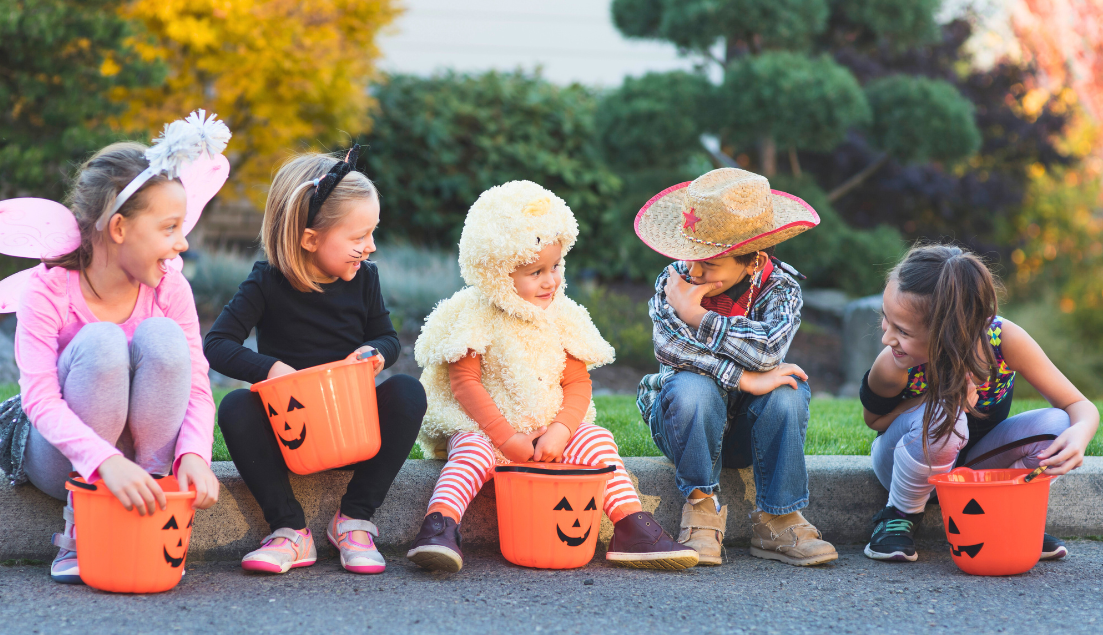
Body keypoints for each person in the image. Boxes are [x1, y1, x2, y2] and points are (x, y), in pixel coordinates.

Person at [406, 181, 697, 573]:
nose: (551, 280)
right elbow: (465, 382)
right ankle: (440, 526)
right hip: (489, 432)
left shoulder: (561, 315)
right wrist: (506, 438)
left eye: (556, 266)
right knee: (470, 455)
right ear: (496, 272)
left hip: (548, 437)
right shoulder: (476, 313)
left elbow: (577, 383)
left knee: (596, 439)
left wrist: (561, 429)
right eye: (535, 272)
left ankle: (630, 524)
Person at [205, 147, 426, 575]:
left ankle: (355, 519)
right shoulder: (266, 282)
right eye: (359, 237)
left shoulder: (365, 278)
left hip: (353, 427)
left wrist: (377, 353)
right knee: (234, 406)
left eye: (372, 233)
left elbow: (387, 337)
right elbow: (217, 343)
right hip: (292, 433)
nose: (371, 246)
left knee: (407, 391)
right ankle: (289, 530)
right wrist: (269, 368)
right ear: (310, 239)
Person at [14, 141, 220, 584]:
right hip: (66, 457)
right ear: (120, 228)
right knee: (102, 342)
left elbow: (199, 387)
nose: (182, 242)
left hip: (144, 451)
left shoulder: (170, 287)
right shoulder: (48, 289)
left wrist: (195, 454)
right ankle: (79, 526)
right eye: (169, 227)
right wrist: (103, 460)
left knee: (165, 338)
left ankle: (149, 502)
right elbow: (40, 400)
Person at [633, 167, 837, 567]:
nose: (694, 272)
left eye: (710, 265)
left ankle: (778, 520)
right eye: (692, 257)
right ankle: (701, 510)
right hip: (682, 425)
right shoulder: (674, 279)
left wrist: (698, 316)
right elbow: (672, 349)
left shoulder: (781, 288)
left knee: (785, 388)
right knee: (693, 386)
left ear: (752, 260)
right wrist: (744, 378)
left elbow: (767, 352)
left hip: (746, 434)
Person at [861, 243, 1098, 562]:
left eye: (902, 330)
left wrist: (1080, 435)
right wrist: (938, 399)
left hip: (971, 467)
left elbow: (1079, 406)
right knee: (947, 415)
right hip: (903, 460)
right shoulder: (893, 364)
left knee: (1058, 427)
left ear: (950, 331)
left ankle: (1005, 512)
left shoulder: (1004, 342)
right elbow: (874, 422)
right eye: (885, 319)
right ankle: (898, 515)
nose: (887, 338)